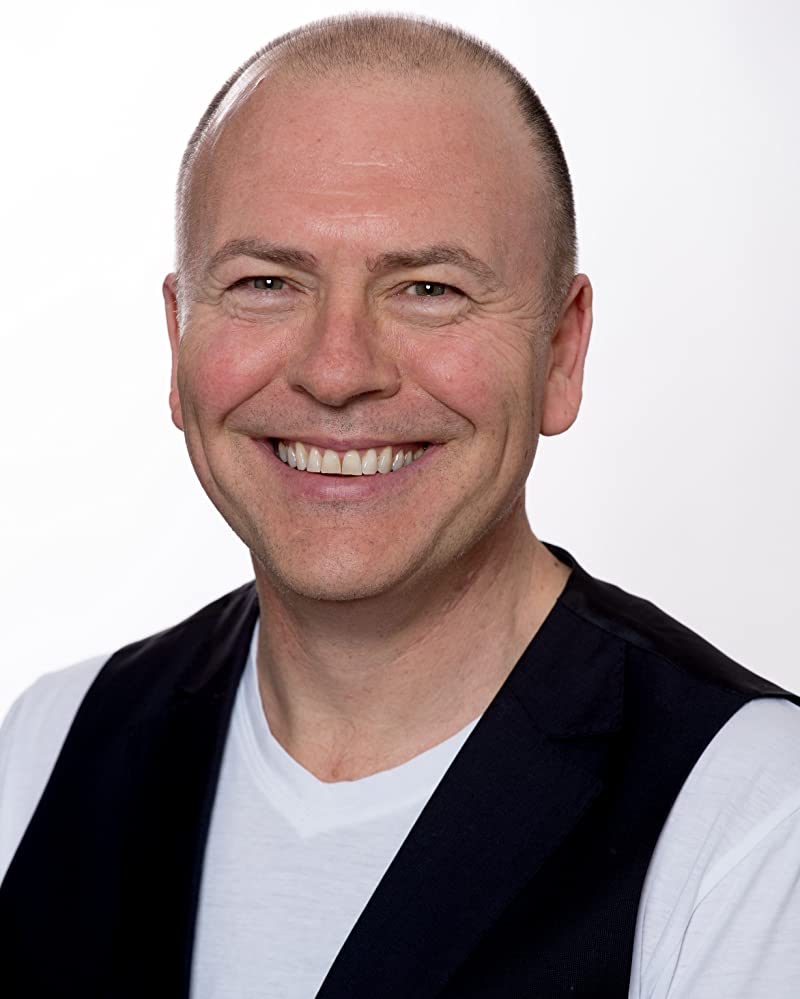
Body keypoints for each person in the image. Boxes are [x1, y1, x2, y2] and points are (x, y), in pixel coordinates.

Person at [1, 13, 798, 998]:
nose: (338, 370)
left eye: (427, 288)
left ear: (560, 351)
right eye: (265, 282)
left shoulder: (752, 820)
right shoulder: (49, 749)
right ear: (178, 340)